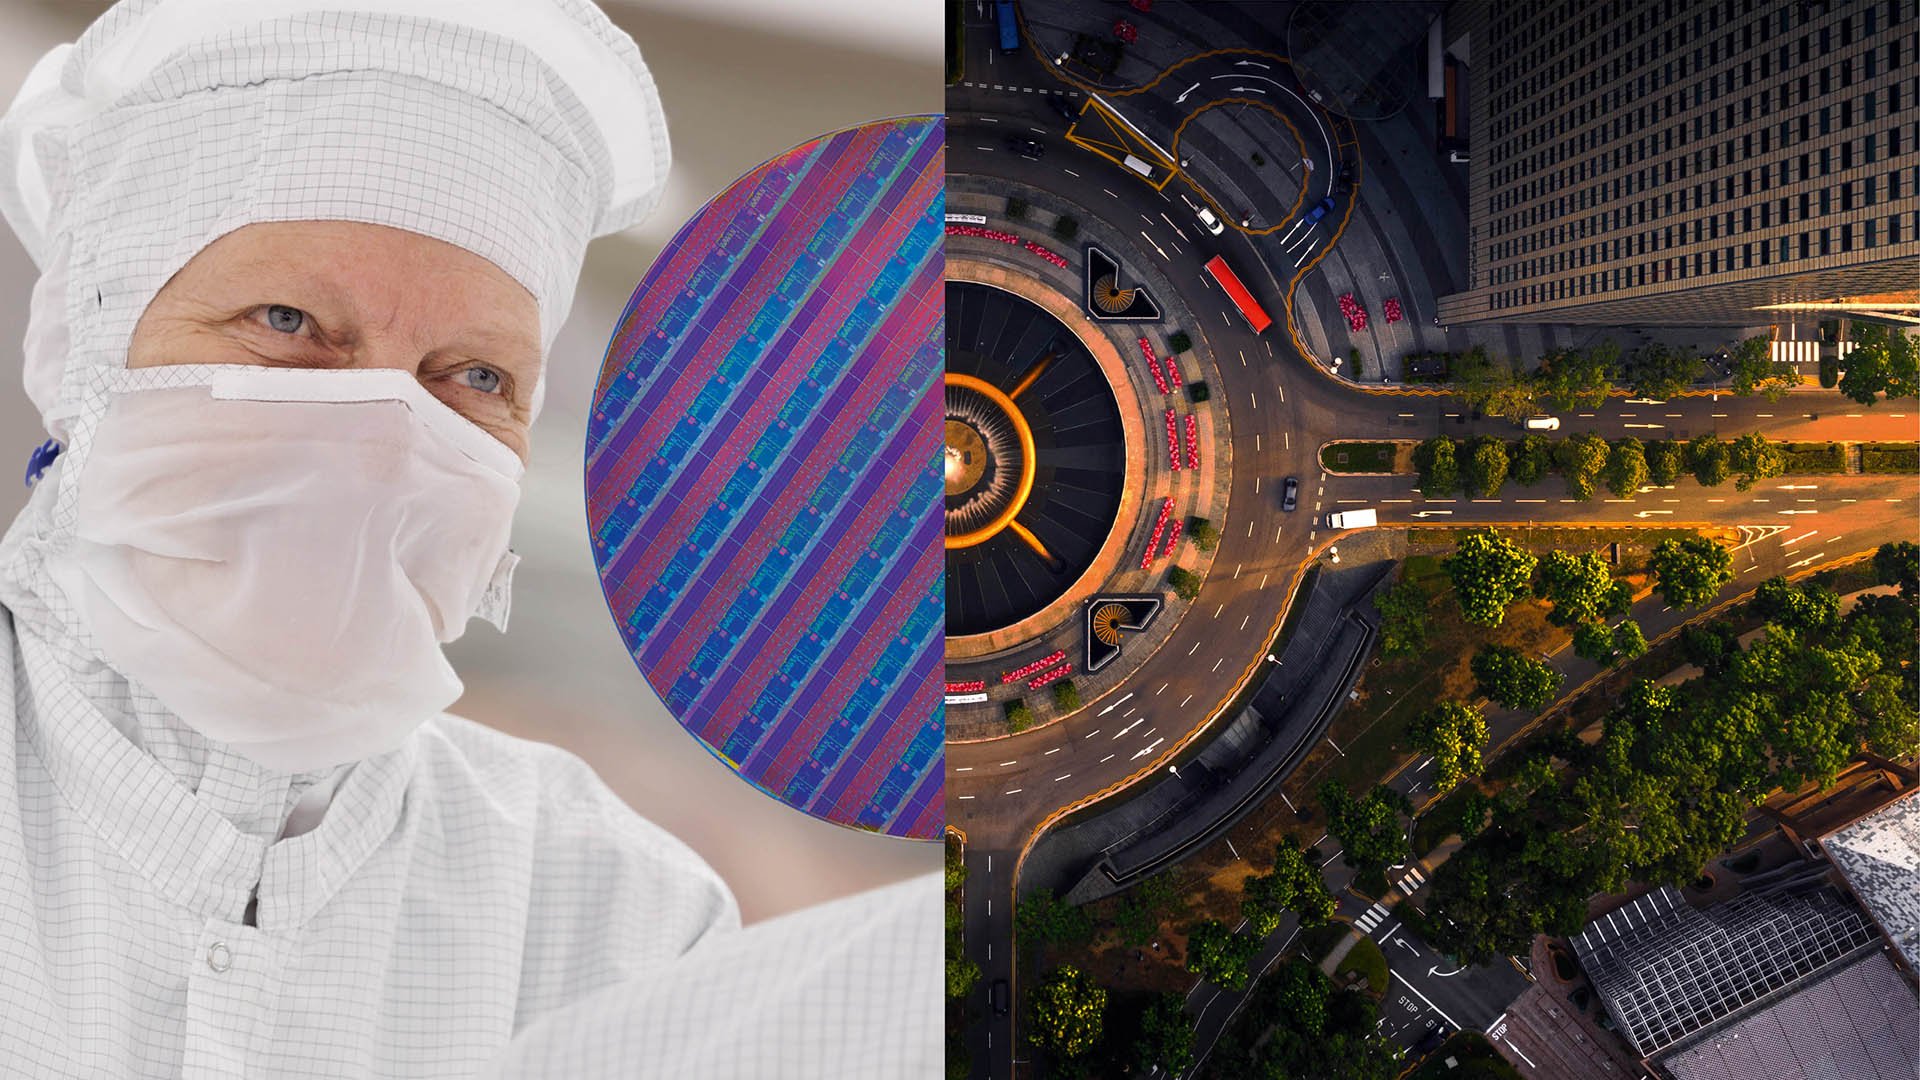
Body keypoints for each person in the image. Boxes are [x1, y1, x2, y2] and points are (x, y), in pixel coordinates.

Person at [0, 1, 937, 1077]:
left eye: (475, 378)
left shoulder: (606, 909)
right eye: (288, 322)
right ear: (84, 343)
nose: (382, 436)